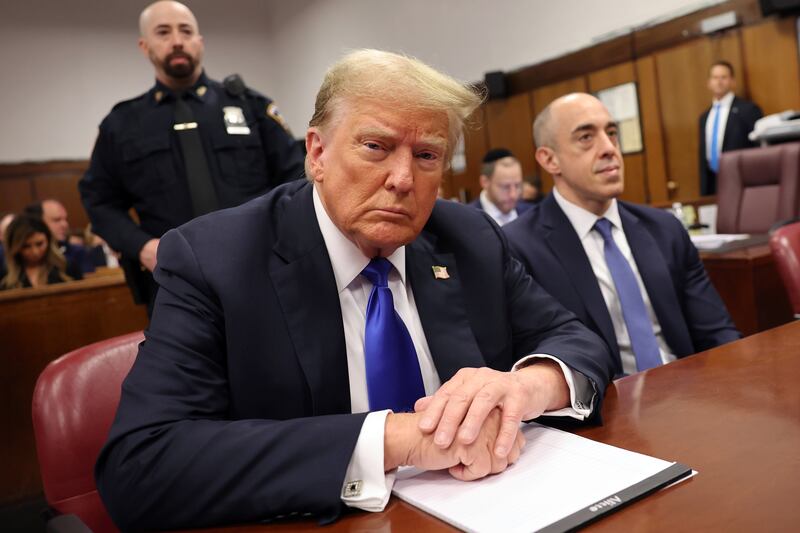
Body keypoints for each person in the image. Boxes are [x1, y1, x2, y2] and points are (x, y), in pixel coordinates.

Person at [95, 50, 616, 531]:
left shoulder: (470, 237)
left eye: (428, 155)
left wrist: (524, 389)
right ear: (317, 152)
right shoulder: (215, 259)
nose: (402, 179)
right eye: (375, 147)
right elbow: (142, 463)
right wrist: (401, 440)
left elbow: (579, 340)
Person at [79, 0, 305, 314]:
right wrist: (142, 247)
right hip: (175, 281)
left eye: (186, 31)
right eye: (163, 32)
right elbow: (99, 200)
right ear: (145, 46)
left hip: (261, 269)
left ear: (200, 41)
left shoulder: (250, 107)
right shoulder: (122, 124)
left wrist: (278, 236)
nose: (176, 40)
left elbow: (296, 178)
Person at [504, 93, 741, 378]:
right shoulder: (518, 247)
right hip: (604, 406)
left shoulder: (664, 229)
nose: (608, 148)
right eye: (585, 138)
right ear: (550, 159)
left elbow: (716, 331)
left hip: (688, 390)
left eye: (612, 133)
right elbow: (541, 363)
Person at [698, 61, 763, 196]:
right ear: (709, 83)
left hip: (742, 181)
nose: (719, 82)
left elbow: (759, 148)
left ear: (732, 81)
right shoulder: (704, 117)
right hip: (713, 184)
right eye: (715, 78)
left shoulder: (748, 110)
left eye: (723, 77)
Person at [1, 215, 81, 290]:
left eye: (39, 244)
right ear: (15, 247)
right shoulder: (4, 277)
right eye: (26, 246)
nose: (35, 252)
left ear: (48, 241)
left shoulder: (66, 267)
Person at [25, 199, 96, 274]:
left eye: (65, 219)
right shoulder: (25, 256)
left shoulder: (77, 253)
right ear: (38, 222)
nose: (65, 225)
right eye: (57, 220)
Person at [468, 148, 531, 226]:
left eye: (517, 186)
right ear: (484, 182)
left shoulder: (531, 214)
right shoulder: (467, 219)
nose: (513, 195)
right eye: (505, 187)